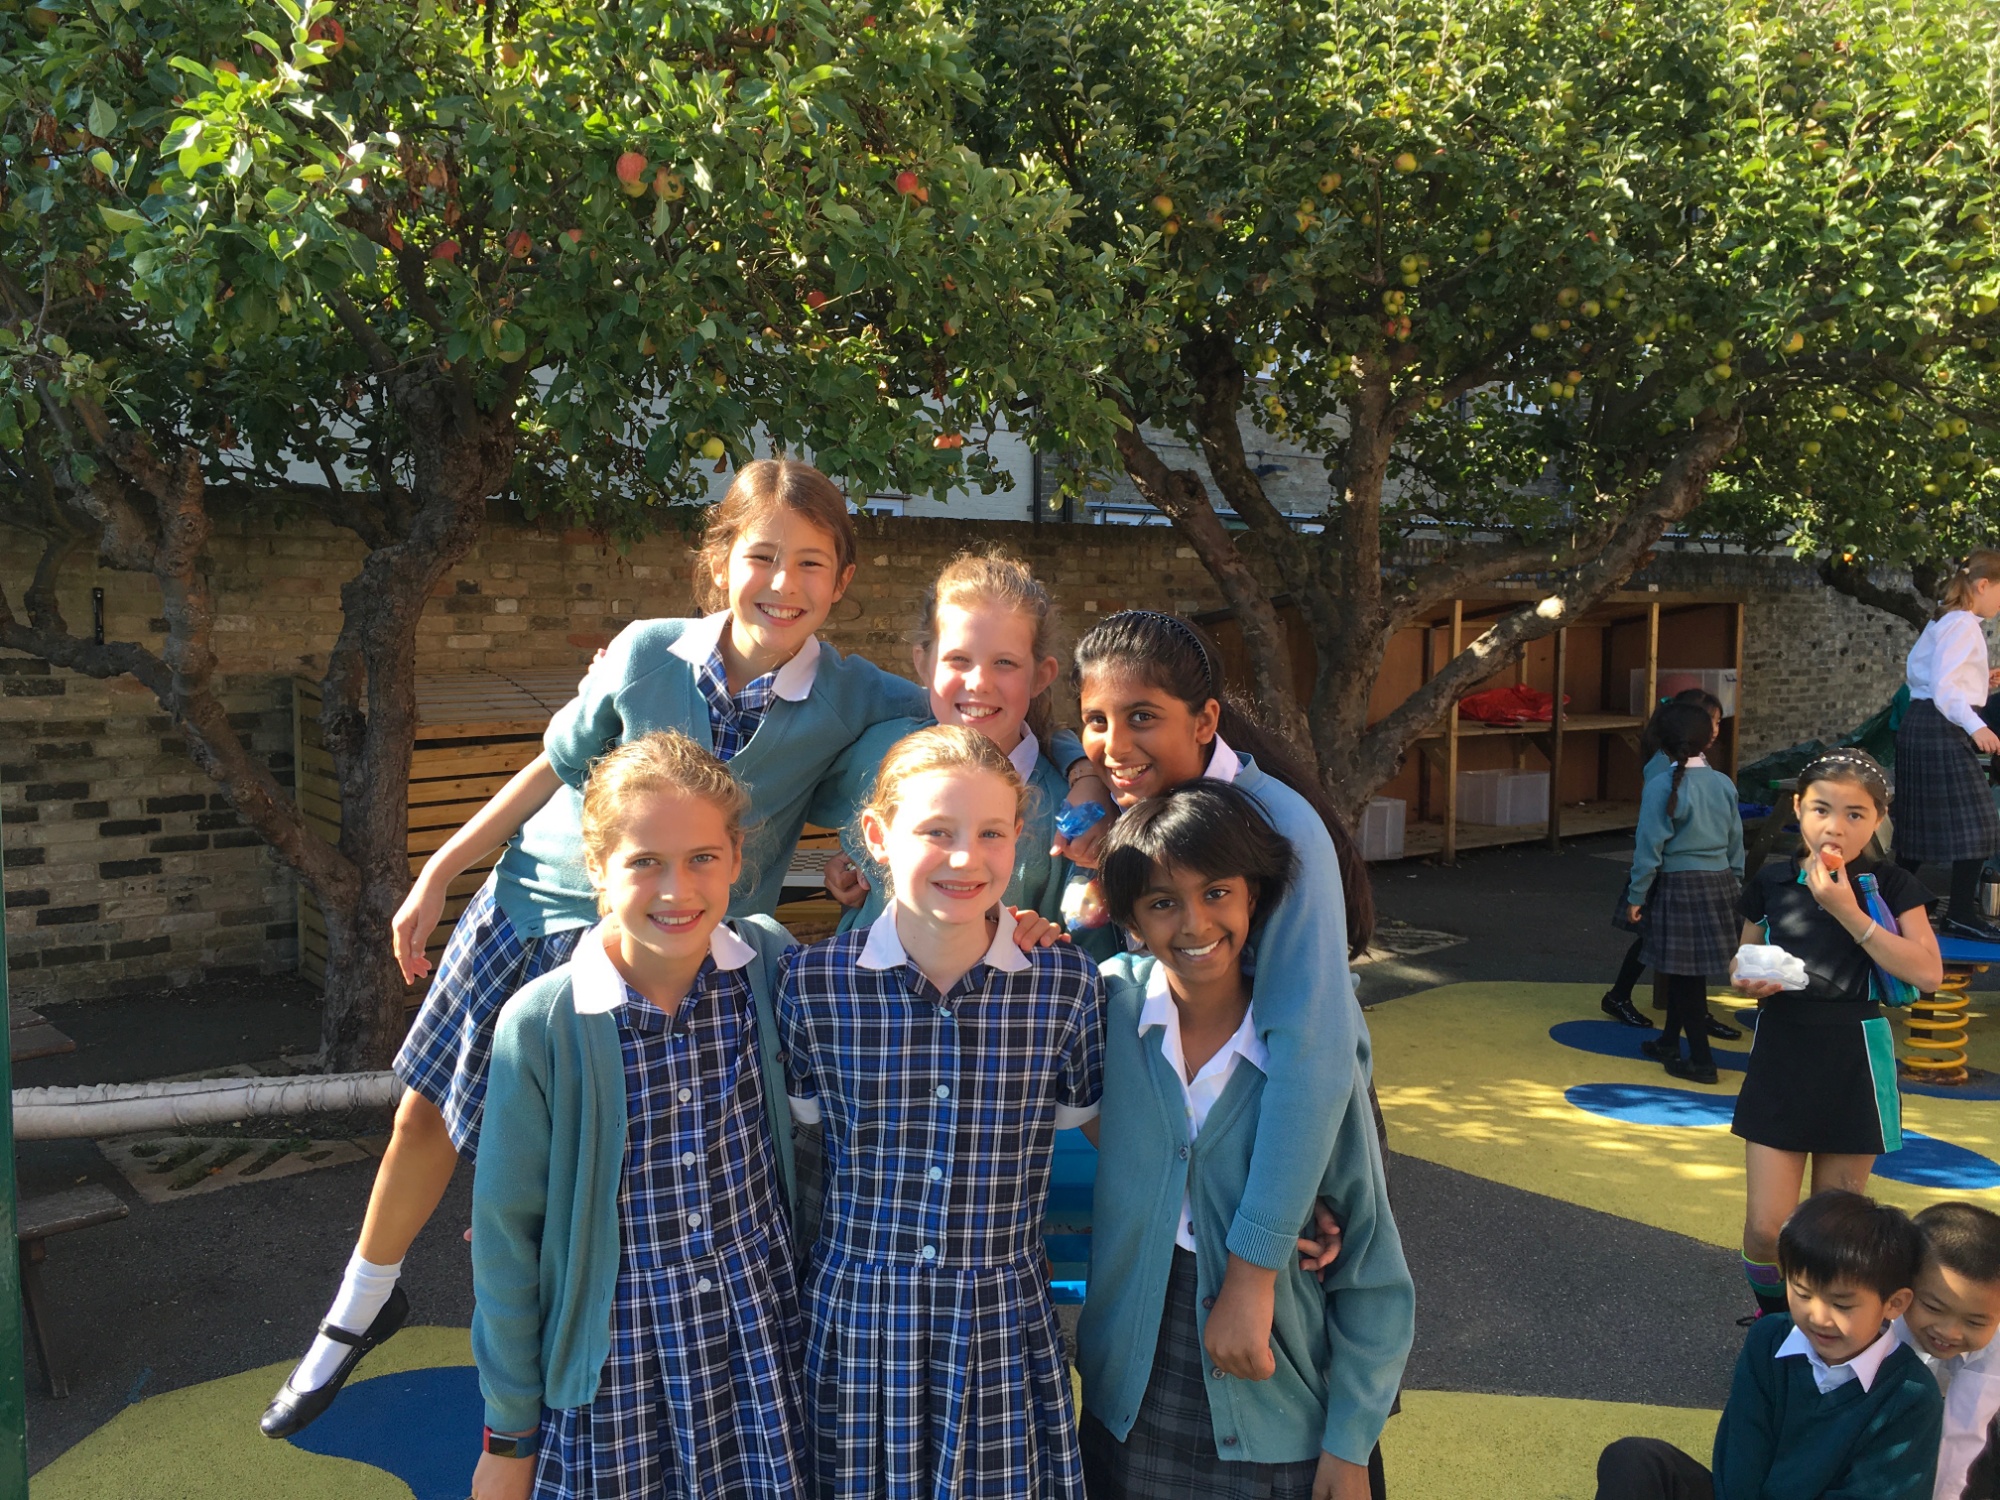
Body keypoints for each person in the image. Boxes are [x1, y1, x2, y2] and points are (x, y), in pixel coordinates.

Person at [263, 459, 930, 1436]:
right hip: (535, 904)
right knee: (425, 1115)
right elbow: (553, 766)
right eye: (760, 556)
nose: (781, 584)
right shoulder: (648, 652)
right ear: (719, 562)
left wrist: (866, 860)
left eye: (810, 563)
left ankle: (581, 1405)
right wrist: (441, 868)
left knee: (597, 1180)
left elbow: (950, 740)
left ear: (842, 581)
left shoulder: (859, 695)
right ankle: (357, 1308)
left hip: (670, 946)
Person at [468, 731, 805, 1500]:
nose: (676, 890)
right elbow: (505, 1240)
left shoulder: (769, 965)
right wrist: (509, 1433)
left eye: (702, 858)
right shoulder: (545, 1024)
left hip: (760, 1344)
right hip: (617, 1367)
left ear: (736, 857)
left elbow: (892, 980)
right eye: (645, 861)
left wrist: (1010, 930)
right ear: (596, 866)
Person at [778, 726, 1104, 1499]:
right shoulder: (812, 985)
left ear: (1020, 836)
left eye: (991, 833)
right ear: (876, 836)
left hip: (997, 1329)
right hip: (856, 1323)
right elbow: (804, 1161)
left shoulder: (1064, 986)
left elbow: (1112, 1140)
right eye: (936, 832)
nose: (965, 859)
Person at [1067, 609, 1382, 1393]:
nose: (1115, 743)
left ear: (1206, 721)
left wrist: (1260, 1255)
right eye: (1096, 721)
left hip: (1295, 1124)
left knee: (1302, 1390)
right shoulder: (1147, 800)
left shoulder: (1278, 824)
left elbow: (1311, 1054)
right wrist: (1085, 785)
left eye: (1143, 717)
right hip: (1219, 1140)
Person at [1078, 781, 1414, 1500]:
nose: (1195, 923)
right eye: (1162, 902)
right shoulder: (1104, 1010)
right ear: (1130, 919)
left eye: (1217, 893)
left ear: (1253, 897)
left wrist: (1351, 1445)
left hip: (1278, 1410)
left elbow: (1370, 1263)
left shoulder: (1308, 1056)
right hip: (1126, 1406)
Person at [1730, 751, 1943, 1319]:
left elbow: (1928, 973)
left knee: (1833, 1226)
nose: (1836, 827)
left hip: (1856, 1055)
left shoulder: (1893, 885)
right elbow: (1743, 957)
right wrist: (1746, 979)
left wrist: (1847, 910)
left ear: (1878, 819)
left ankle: (1818, 1332)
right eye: (1822, 809)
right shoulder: (1773, 880)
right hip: (1782, 1049)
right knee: (1766, 1228)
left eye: (1856, 814)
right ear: (1799, 807)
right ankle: (1775, 1319)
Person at [815, 549, 1105, 928]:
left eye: (1004, 662)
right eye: (958, 659)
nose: (979, 682)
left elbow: (1085, 943)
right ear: (923, 664)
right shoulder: (877, 751)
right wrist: (852, 860)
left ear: (1040, 676)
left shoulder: (1069, 817)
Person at [1594, 1189, 1942, 1500]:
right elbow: (1741, 1455)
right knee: (1634, 1460)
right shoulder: (1769, 1338)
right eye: (1802, 1293)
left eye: (1841, 1304)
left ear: (1894, 1304)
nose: (1818, 1317)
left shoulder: (1911, 1395)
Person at [1625, 701, 1745, 1085]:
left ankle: (1702, 1061)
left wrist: (1636, 896)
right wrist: (1736, 882)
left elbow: (1649, 848)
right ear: (1708, 740)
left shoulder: (1660, 785)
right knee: (1687, 974)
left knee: (1684, 978)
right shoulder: (1723, 783)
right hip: (1720, 882)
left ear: (1663, 740)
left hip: (1679, 885)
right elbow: (1736, 841)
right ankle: (1668, 1042)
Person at [1602, 689, 1733, 1034]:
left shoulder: (1700, 764)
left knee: (1677, 946)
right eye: (1711, 721)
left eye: (1718, 722)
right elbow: (1654, 834)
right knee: (1657, 941)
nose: (1716, 730)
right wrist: (1639, 890)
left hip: (1679, 870)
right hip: (1664, 871)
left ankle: (1685, 1014)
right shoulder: (1664, 766)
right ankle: (1624, 998)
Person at [1895, 549, 2000, 941]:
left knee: (1918, 828)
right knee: (1980, 824)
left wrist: (1979, 680)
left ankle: (1892, 903)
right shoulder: (1962, 624)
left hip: (1923, 722)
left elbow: (1925, 673)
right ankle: (1959, 915)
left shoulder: (1946, 617)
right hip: (1941, 726)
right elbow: (1944, 688)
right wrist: (1976, 726)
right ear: (1983, 585)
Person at [1895, 1202, 2000, 1500]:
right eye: (1933, 1307)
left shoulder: (1994, 1347)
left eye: (1974, 1321)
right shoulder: (1876, 1317)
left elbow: (1960, 1438)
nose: (1949, 1332)